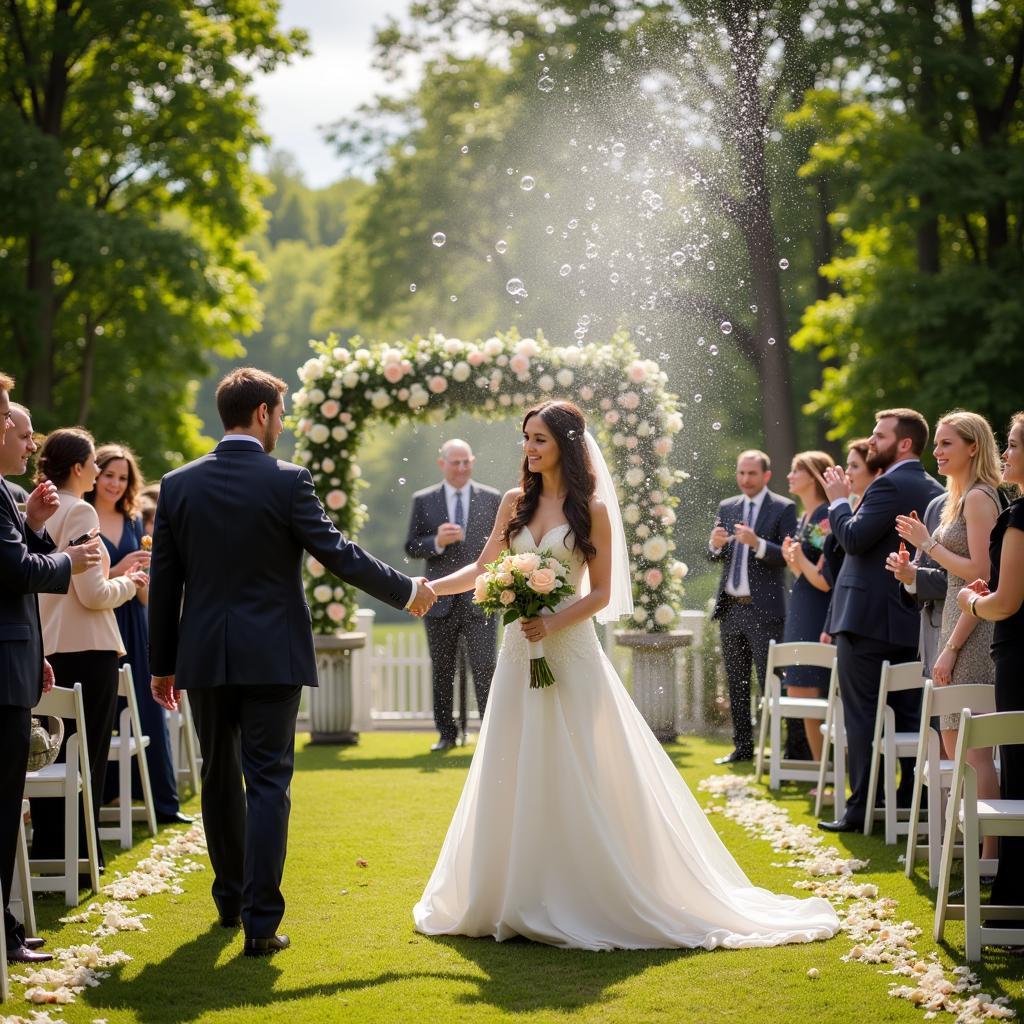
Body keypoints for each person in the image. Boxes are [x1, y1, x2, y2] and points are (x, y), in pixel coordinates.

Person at [413, 401, 838, 949]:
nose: (530, 448)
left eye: (539, 438)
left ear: (564, 444)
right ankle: (511, 890)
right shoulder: (515, 503)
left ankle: (584, 890)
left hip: (569, 651)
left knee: (582, 764)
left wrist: (552, 621)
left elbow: (602, 593)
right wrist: (427, 588)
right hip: (521, 653)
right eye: (526, 439)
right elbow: (482, 568)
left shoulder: (592, 509)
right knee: (512, 761)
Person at [148, 367, 436, 958]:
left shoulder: (177, 485)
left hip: (204, 655)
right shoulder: (287, 481)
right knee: (269, 783)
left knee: (218, 779)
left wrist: (162, 664)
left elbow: (165, 578)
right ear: (261, 415)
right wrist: (405, 591)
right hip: (273, 656)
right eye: (281, 414)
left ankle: (228, 899)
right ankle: (260, 923)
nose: (283, 425)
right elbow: (337, 554)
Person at [0, 384, 100, 965]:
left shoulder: (10, 496)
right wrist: (70, 558)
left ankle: (7, 929)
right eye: (19, 430)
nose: (28, 440)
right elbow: (13, 571)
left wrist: (36, 524)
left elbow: (15, 565)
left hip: (16, 660)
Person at [819, 409, 943, 833]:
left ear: (904, 443)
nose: (871, 442)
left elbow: (852, 538)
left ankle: (861, 810)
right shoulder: (934, 488)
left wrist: (837, 501)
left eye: (878, 435)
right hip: (911, 620)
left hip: (865, 621)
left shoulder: (888, 483)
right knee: (911, 716)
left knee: (862, 718)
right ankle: (913, 804)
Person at [32, 429, 148, 871]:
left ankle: (48, 851)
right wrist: (130, 582)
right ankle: (81, 855)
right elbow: (94, 594)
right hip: (89, 650)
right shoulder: (80, 511)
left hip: (49, 646)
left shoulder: (36, 509)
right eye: (94, 465)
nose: (99, 472)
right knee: (87, 758)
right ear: (78, 468)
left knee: (50, 756)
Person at [86, 444, 188, 826]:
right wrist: (119, 571)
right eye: (109, 474)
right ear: (94, 474)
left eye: (123, 477)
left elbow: (145, 589)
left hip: (134, 620)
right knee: (105, 712)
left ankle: (162, 801)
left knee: (147, 708)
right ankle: (106, 797)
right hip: (98, 620)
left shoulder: (132, 521)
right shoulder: (83, 516)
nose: (115, 483)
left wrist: (145, 576)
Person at [956, 411, 1024, 930]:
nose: (1007, 453)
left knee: (1018, 774)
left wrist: (973, 602)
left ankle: (1010, 904)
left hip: (1018, 654)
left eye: (1016, 444)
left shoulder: (1018, 516)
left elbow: (1005, 604)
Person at [405, 440, 501, 751]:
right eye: (455, 462)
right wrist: (436, 542)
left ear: (472, 462)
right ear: (442, 464)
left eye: (466, 462)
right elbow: (411, 546)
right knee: (442, 668)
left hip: (482, 598)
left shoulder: (492, 498)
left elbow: (501, 546)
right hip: (439, 602)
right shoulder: (424, 500)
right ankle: (447, 734)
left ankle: (490, 734)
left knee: (486, 666)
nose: (461, 468)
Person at [707, 450, 798, 765]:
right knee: (736, 680)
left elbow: (788, 555)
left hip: (765, 611)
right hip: (731, 609)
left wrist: (756, 542)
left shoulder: (783, 508)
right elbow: (715, 556)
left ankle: (788, 748)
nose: (746, 479)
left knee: (772, 680)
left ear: (766, 476)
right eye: (741, 473)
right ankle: (742, 747)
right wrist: (714, 545)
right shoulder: (727, 507)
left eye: (752, 474)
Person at [780, 450, 835, 761]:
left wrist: (798, 559)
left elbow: (824, 580)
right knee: (801, 691)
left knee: (810, 690)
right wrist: (795, 560)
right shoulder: (806, 516)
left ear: (813, 476)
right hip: (802, 605)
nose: (789, 477)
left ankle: (827, 771)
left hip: (815, 611)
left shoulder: (825, 517)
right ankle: (821, 769)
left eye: (795, 471)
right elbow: (806, 573)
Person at [820, 439, 880, 643]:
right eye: (847, 466)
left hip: (863, 618)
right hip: (842, 613)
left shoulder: (871, 515)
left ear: (876, 472)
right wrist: (829, 623)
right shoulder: (851, 508)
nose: (848, 473)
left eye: (855, 466)